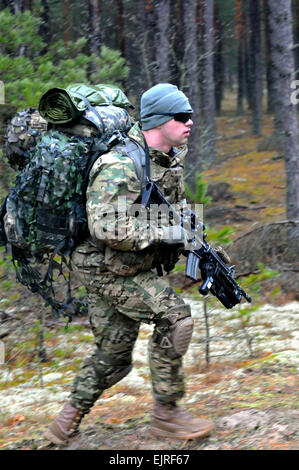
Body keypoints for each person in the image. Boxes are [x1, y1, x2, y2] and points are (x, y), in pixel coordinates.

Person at [44, 83, 214, 445]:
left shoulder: (169, 159)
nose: (190, 123)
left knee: (115, 356)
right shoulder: (119, 164)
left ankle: (65, 420)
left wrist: (203, 246)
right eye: (182, 117)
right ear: (158, 121)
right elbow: (107, 226)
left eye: (191, 116)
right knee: (176, 319)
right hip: (102, 264)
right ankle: (166, 414)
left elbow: (177, 209)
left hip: (126, 262)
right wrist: (169, 232)